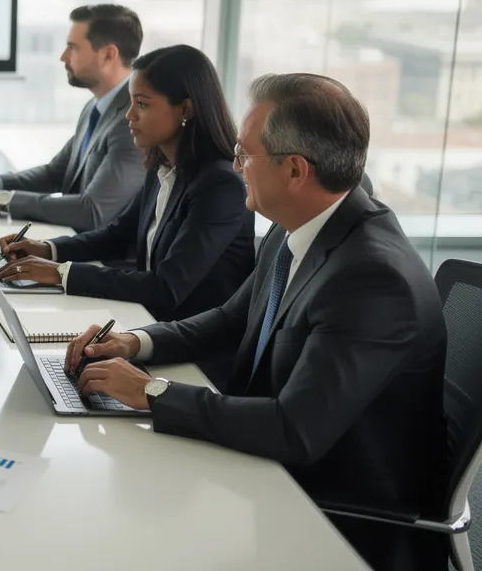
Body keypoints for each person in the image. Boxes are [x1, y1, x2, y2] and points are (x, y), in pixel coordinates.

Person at [60, 74, 447, 570]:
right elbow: (228, 320)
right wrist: (133, 344)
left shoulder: (372, 279)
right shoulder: (301, 229)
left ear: (294, 171)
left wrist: (148, 393)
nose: (235, 166)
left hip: (333, 519)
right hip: (271, 476)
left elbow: (295, 430)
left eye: (245, 155)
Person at [0, 45, 255, 332]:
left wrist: (61, 274)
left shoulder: (220, 184)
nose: (129, 115)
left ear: (186, 108)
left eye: (141, 104)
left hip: (192, 349)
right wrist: (48, 249)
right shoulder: (164, 168)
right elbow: (117, 236)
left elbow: (166, 287)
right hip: (146, 324)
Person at [0, 4, 147, 233]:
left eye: (73, 48)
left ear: (108, 55)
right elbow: (55, 174)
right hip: (71, 242)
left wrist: (3, 200)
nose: (63, 57)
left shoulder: (131, 122)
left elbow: (92, 211)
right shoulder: (96, 107)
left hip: (104, 261)